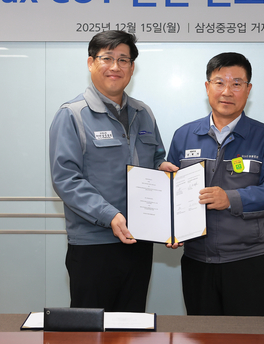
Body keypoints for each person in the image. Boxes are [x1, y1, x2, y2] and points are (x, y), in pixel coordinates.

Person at [49, 30, 177, 312]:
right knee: (91, 328)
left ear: (132, 67)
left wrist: (161, 167)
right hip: (93, 244)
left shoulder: (143, 113)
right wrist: (110, 215)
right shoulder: (72, 114)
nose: (115, 66)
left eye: (123, 59)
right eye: (107, 58)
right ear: (91, 63)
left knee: (132, 324)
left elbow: (156, 157)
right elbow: (66, 179)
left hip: (139, 240)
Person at [167, 52, 264, 316]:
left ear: (248, 89)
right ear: (207, 87)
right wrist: (171, 229)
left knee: (250, 334)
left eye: (236, 84)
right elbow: (172, 192)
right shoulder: (184, 136)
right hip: (197, 261)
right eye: (219, 82)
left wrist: (231, 199)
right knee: (202, 334)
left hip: (248, 261)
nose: (227, 91)